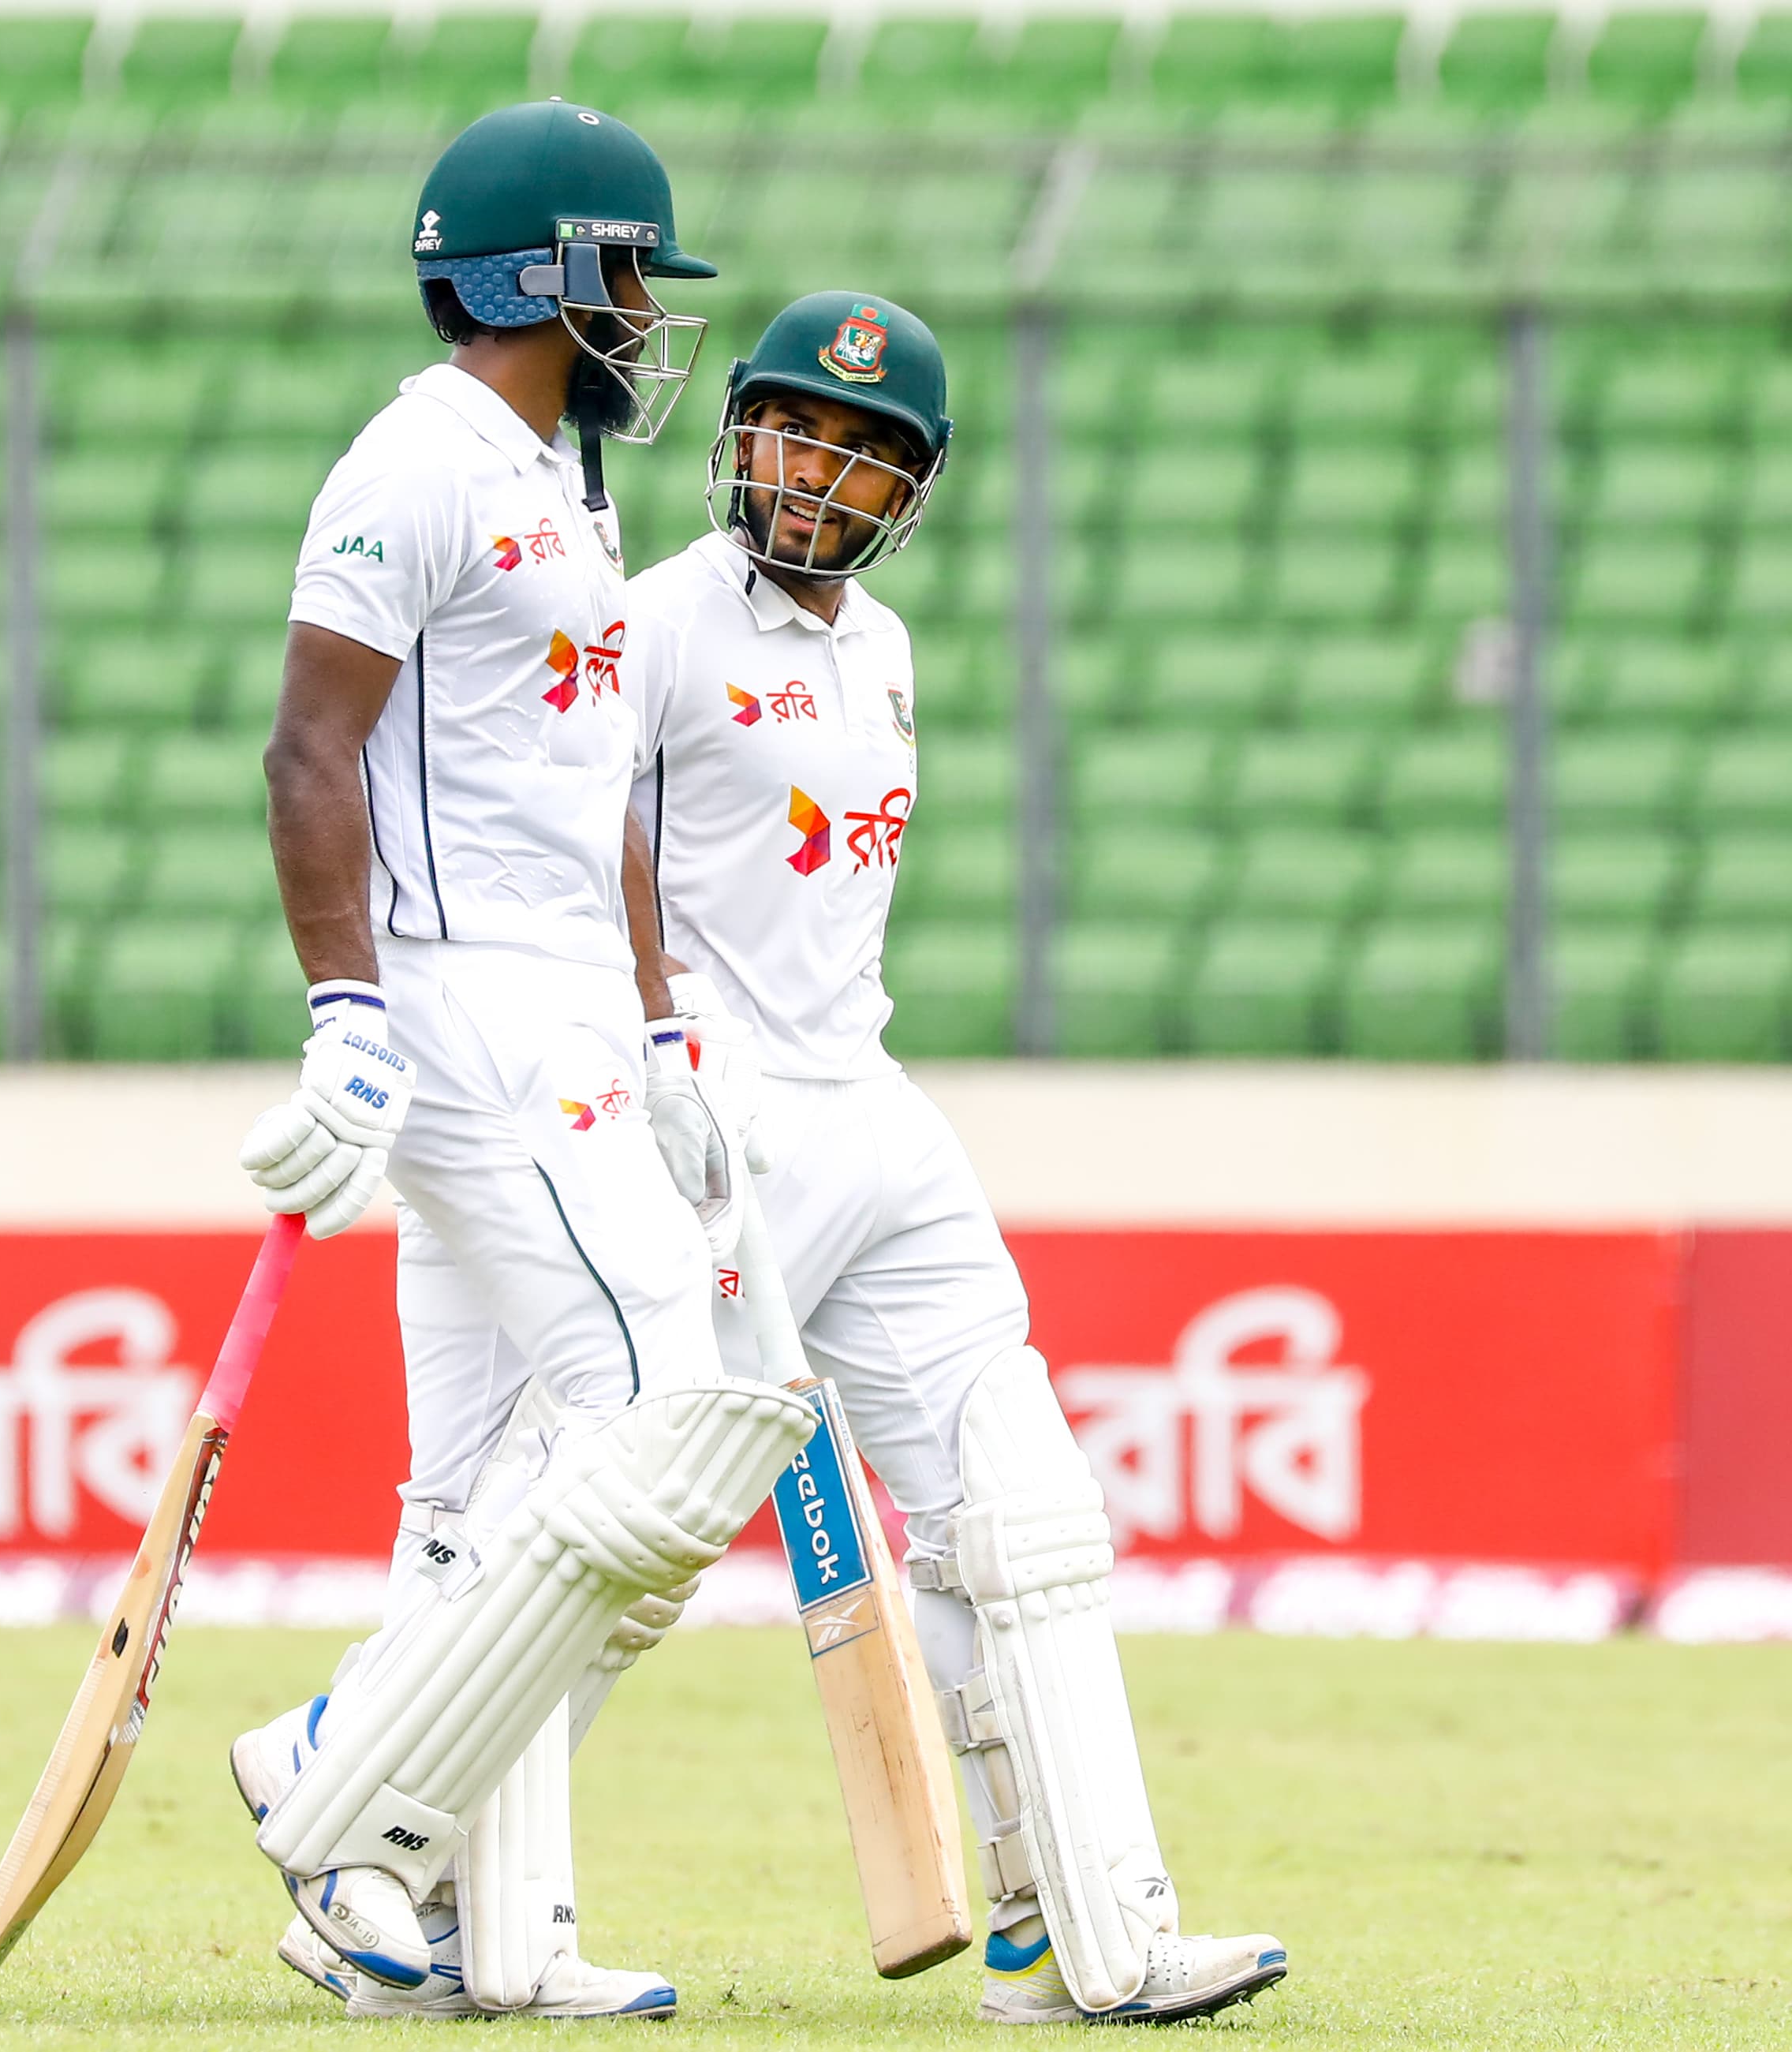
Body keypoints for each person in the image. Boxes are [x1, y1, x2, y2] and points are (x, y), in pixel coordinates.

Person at [618, 290, 1291, 2026]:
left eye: (863, 449)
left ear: (908, 487)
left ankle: (1079, 1933)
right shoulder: (657, 623)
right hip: (710, 1104)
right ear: (739, 433)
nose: (817, 469)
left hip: (865, 1095)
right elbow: (583, 830)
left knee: (1024, 1510)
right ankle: (366, 1812)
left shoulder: (889, 649)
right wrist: (651, 1034)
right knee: (620, 1537)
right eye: (793, 426)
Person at [223, 99, 817, 2022]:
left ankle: (479, 1925)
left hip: (570, 1008)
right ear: (546, 272)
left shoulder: (563, 482)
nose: (649, 313)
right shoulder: (410, 463)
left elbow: (605, 791)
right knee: (668, 1404)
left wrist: (661, 1030)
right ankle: (343, 1781)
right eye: (631, 274)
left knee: (477, 1492)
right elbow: (310, 752)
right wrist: (343, 1012)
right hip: (465, 1003)